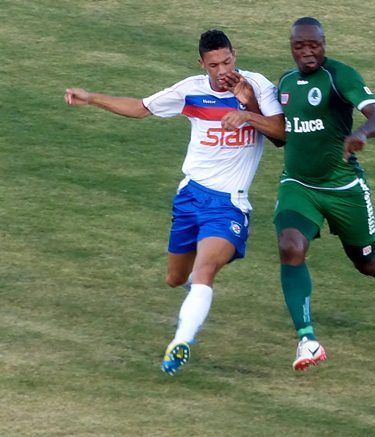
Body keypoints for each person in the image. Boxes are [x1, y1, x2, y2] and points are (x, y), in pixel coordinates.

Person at [65, 30, 285, 375]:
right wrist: (91, 97)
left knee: (204, 271)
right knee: (174, 278)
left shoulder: (257, 85)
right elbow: (140, 108)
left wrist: (248, 109)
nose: (222, 69)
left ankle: (181, 341)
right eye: (214, 65)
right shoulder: (190, 91)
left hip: (228, 204)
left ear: (235, 55)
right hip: (190, 198)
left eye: (227, 61)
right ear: (202, 64)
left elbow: (281, 133)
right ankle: (194, 291)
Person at [274, 17, 375, 371]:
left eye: (314, 44)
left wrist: (363, 134)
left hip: (343, 188)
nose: (308, 52)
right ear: (291, 47)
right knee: (290, 246)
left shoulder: (340, 76)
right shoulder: (286, 83)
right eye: (299, 46)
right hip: (299, 185)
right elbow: (282, 134)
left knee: (366, 262)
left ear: (324, 42)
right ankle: (307, 341)